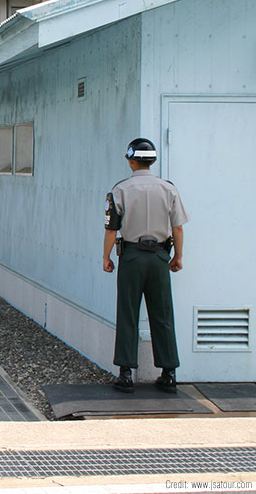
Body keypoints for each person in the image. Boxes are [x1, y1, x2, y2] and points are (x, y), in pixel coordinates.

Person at [103, 138, 189, 394]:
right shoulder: (169, 189)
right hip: (160, 257)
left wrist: (106, 257)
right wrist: (178, 257)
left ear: (131, 161)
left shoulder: (120, 190)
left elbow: (111, 228)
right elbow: (178, 228)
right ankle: (169, 372)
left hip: (131, 256)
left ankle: (126, 373)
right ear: (152, 161)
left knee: (128, 312)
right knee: (163, 314)